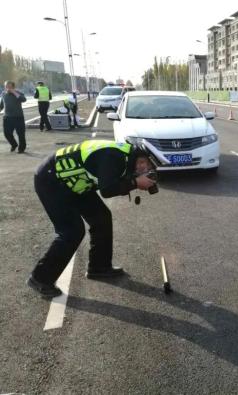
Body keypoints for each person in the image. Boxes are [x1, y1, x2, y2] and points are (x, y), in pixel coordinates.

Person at [27, 139, 158, 298]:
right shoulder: (114, 156)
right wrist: (135, 182)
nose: (144, 168)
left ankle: (99, 267)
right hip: (51, 181)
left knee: (101, 218)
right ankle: (40, 278)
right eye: (143, 162)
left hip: (77, 183)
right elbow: (107, 190)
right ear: (137, 154)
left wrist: (133, 181)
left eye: (148, 166)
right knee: (72, 231)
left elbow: (113, 181)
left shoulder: (126, 157)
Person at [0, 80, 27, 153]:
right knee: (7, 133)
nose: (8, 88)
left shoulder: (18, 93)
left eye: (9, 86)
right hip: (7, 117)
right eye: (6, 86)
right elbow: (2, 105)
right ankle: (14, 144)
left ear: (13, 87)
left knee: (21, 134)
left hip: (18, 117)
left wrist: (14, 92)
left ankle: (21, 148)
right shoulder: (3, 94)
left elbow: (24, 99)